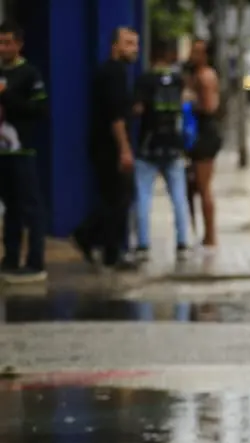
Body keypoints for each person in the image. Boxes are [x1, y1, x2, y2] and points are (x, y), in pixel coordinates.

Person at [74, 26, 140, 271]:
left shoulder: (113, 72)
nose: (135, 49)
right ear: (115, 46)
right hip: (110, 146)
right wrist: (124, 149)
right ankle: (90, 237)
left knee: (115, 198)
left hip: (104, 144)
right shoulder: (115, 73)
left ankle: (108, 249)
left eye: (135, 43)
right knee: (119, 199)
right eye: (129, 43)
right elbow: (116, 116)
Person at [132, 37, 191, 262]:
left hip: (149, 145)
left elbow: (137, 109)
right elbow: (185, 105)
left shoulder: (144, 80)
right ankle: (182, 243)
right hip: (173, 145)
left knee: (143, 196)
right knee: (178, 197)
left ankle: (143, 245)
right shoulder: (177, 80)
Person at [0, 21, 49, 283]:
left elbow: (39, 110)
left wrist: (7, 95)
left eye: (8, 43)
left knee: (31, 206)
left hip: (23, 149)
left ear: (19, 44)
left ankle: (35, 261)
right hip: (2, 152)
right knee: (11, 207)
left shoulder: (30, 74)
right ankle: (10, 257)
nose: (3, 48)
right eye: (0, 43)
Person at [185, 39, 221, 248]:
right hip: (203, 133)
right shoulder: (200, 74)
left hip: (204, 134)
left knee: (203, 186)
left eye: (197, 52)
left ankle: (210, 235)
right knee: (199, 185)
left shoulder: (204, 76)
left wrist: (190, 103)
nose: (192, 55)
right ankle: (207, 233)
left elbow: (209, 106)